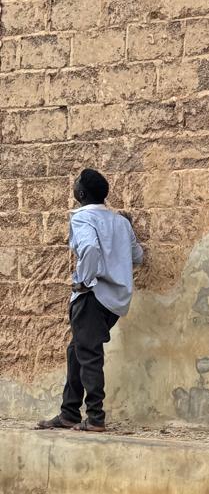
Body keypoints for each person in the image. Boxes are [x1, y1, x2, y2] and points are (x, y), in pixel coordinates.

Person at [36, 167, 143, 434]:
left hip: (92, 297)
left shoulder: (82, 218)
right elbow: (138, 256)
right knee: (77, 351)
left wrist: (84, 280)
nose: (73, 185)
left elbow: (91, 248)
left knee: (89, 355)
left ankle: (95, 417)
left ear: (81, 194)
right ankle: (69, 412)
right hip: (115, 302)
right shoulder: (121, 223)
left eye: (76, 183)